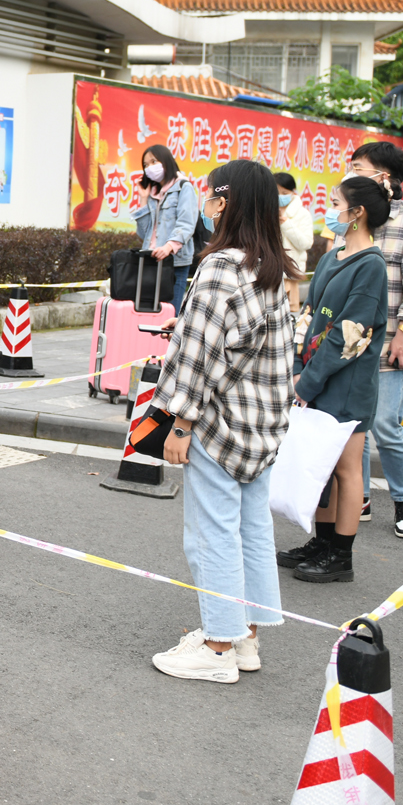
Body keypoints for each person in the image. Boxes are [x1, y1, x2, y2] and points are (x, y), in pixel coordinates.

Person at [149, 158, 297, 684]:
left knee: (211, 535)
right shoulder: (271, 267)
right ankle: (246, 638)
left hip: (219, 422)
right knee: (252, 531)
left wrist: (180, 424)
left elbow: (199, 355)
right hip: (262, 425)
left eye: (212, 194)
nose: (206, 203)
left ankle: (216, 648)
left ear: (226, 201)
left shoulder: (220, 267)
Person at [278, 177, 390, 584]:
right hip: (314, 373)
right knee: (321, 465)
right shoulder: (332, 256)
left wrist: (306, 382)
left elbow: (351, 335)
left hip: (347, 382)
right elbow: (308, 315)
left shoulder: (372, 266)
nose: (331, 209)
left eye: (336, 203)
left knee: (345, 468)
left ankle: (340, 555)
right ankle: (321, 542)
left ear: (356, 213)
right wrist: (296, 365)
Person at [349, 141, 403, 540]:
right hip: (351, 342)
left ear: (384, 177)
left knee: (386, 424)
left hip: (389, 341)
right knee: (354, 426)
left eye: (359, 167)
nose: (351, 172)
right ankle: (360, 495)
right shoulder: (354, 218)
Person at [130, 143, 200, 311]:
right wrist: (144, 199)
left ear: (165, 160)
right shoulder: (153, 193)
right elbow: (143, 233)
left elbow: (187, 223)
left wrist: (168, 247)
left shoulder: (183, 187)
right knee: (149, 313)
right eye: (146, 165)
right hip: (151, 259)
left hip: (174, 262)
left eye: (154, 162)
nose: (149, 168)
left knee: (170, 312)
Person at [274, 171, 313, 313]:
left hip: (291, 274)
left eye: (284, 192)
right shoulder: (267, 212)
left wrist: (285, 223)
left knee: (291, 313)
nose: (280, 196)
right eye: (276, 192)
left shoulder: (302, 214)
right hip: (270, 273)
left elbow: (306, 243)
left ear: (293, 192)